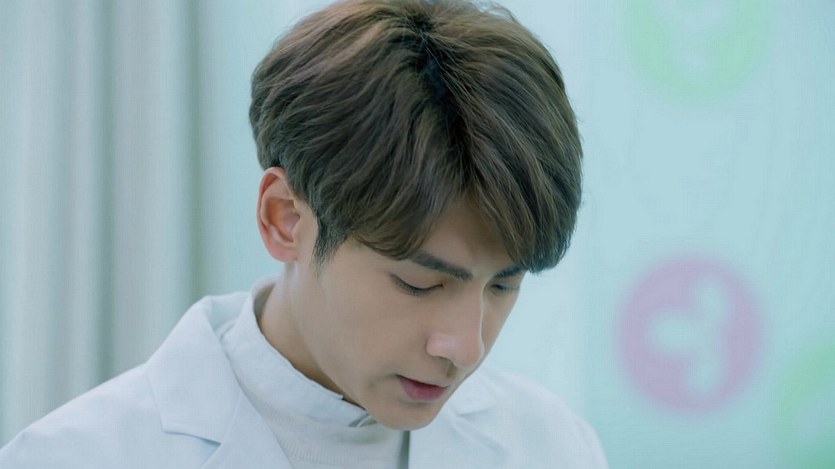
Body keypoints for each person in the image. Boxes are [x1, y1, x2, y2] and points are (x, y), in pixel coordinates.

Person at [0, 0, 608, 467]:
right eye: (419, 283)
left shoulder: (551, 446)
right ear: (284, 218)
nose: (465, 348)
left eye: (503, 286)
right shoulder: (76, 456)